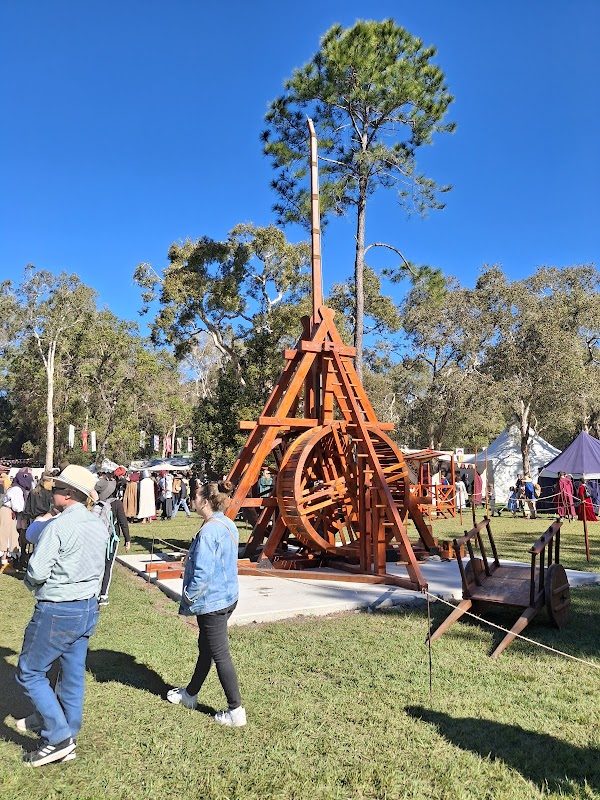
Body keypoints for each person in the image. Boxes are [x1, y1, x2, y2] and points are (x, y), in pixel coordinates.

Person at [14, 465, 109, 766]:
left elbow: (36, 570)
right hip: (87, 607)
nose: (51, 491)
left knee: (29, 671)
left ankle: (58, 738)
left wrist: (33, 582)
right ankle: (68, 729)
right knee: (72, 673)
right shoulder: (98, 524)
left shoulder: (58, 526)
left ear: (67, 494)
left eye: (55, 488)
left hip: (57, 609)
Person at [166, 480, 246, 727]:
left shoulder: (209, 531)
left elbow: (202, 574)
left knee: (220, 655)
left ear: (204, 501)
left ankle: (236, 712)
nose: (192, 500)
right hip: (228, 597)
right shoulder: (227, 523)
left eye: (195, 496)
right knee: (207, 648)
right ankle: (190, 695)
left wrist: (188, 597)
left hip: (213, 602)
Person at [95, 475, 131, 606]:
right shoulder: (117, 504)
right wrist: (127, 540)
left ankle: (94, 592)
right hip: (111, 539)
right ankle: (103, 595)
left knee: (97, 565)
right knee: (108, 566)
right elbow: (123, 522)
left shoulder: (95, 504)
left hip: (96, 538)